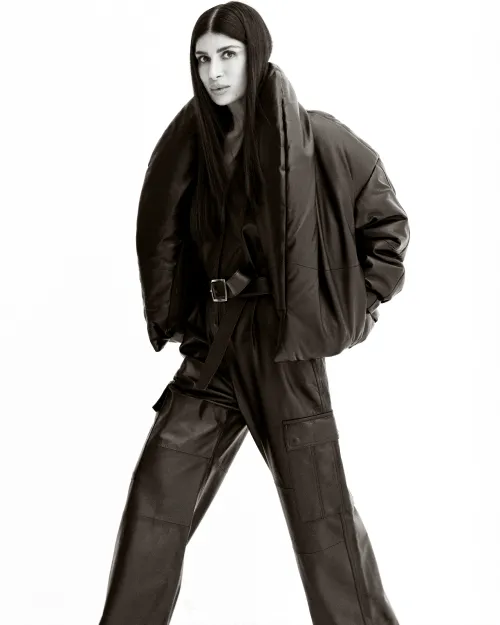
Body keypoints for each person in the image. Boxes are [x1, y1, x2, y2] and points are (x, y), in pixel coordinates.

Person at [97, 2, 410, 624]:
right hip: (212, 352)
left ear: (256, 55)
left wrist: (350, 306)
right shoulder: (197, 145)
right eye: (202, 59)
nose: (213, 72)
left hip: (284, 355)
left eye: (227, 55)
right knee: (154, 505)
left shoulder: (321, 138)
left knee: (323, 527)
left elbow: (387, 228)